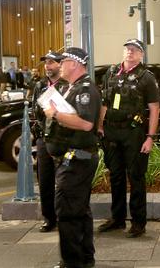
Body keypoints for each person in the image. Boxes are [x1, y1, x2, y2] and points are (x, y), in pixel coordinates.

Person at [42, 47, 100, 268]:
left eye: (63, 60)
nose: (60, 64)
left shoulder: (85, 90)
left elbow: (86, 124)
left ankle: (72, 263)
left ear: (75, 64)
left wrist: (56, 114)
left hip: (77, 159)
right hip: (73, 157)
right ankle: (85, 258)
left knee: (67, 212)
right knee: (79, 210)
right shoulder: (71, 88)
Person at [97, 39, 160, 239]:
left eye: (135, 50)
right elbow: (105, 101)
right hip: (112, 132)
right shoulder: (111, 72)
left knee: (136, 177)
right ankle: (117, 219)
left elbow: (154, 108)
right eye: (127, 49)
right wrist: (100, 126)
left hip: (134, 133)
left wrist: (150, 137)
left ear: (141, 55)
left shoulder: (146, 77)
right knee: (115, 176)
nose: (130, 52)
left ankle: (138, 222)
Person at [31, 51, 68, 233]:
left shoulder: (67, 85)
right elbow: (34, 110)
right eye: (46, 62)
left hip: (62, 139)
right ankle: (49, 218)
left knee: (64, 181)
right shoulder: (39, 85)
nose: (47, 65)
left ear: (60, 65)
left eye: (52, 62)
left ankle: (65, 217)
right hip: (44, 139)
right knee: (44, 180)